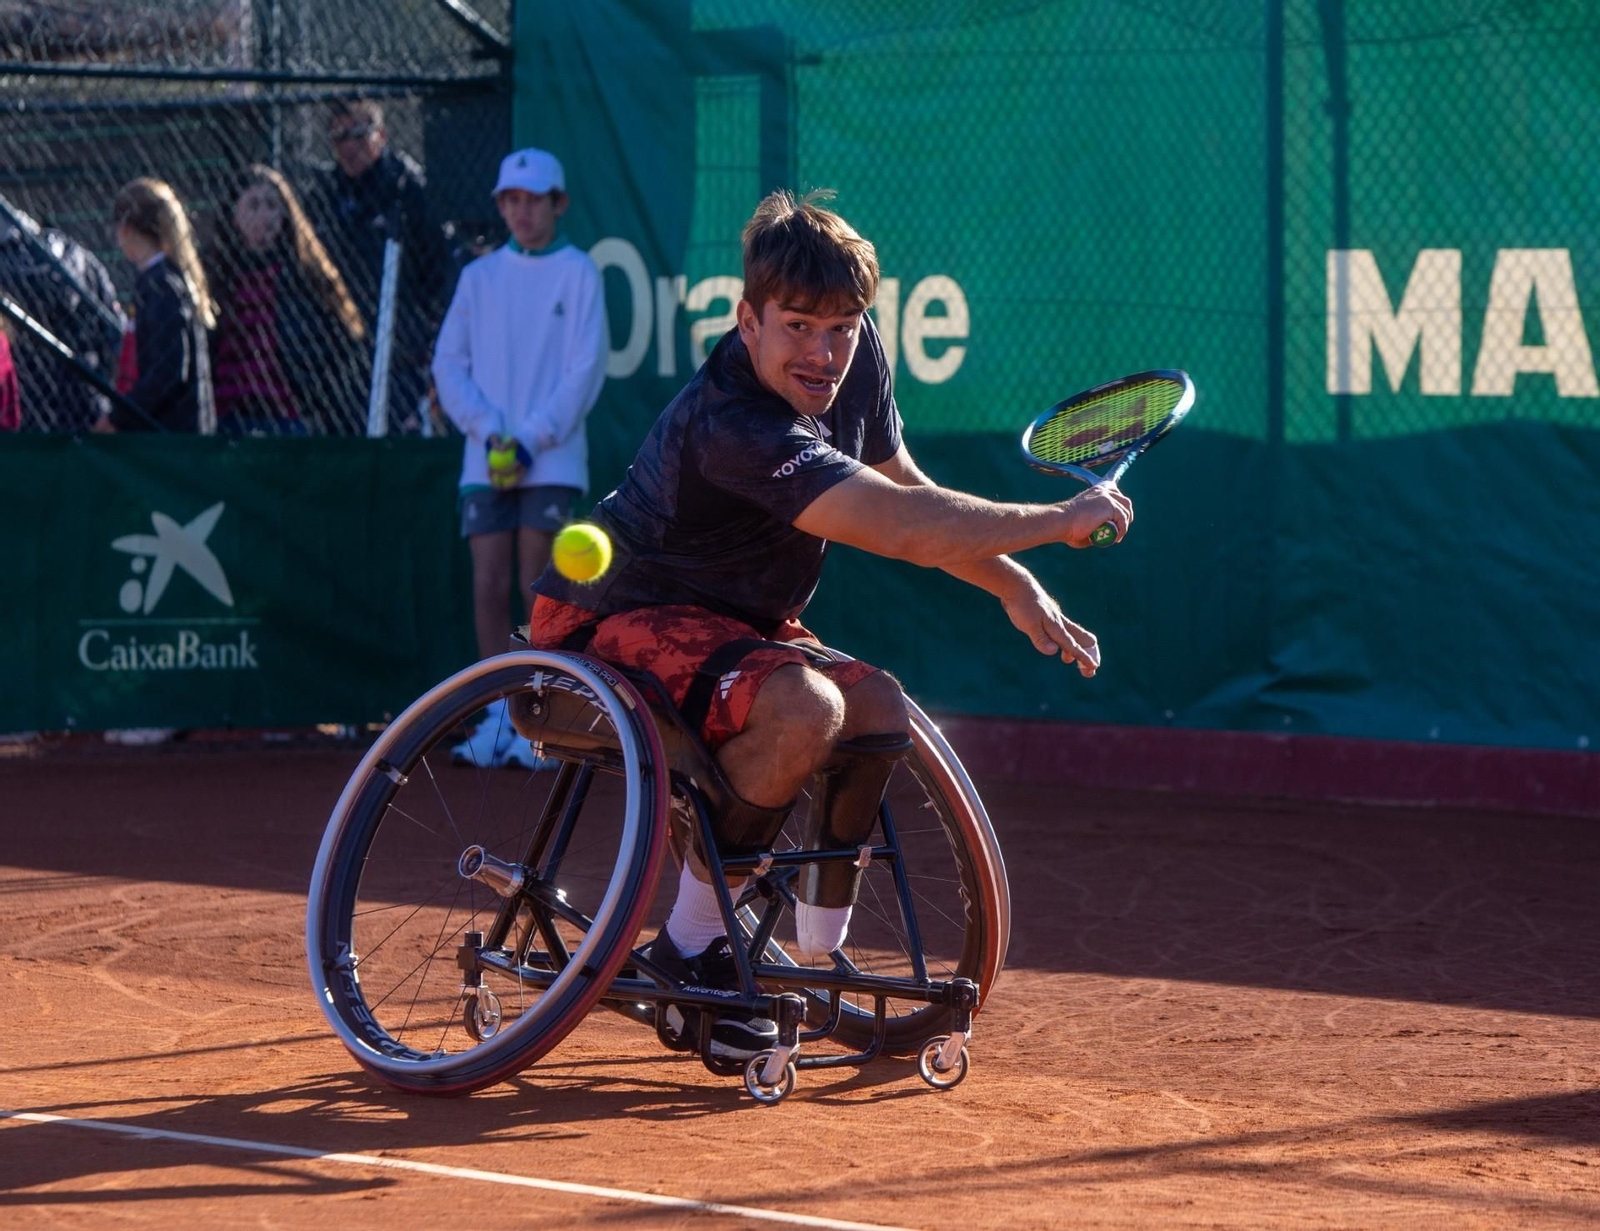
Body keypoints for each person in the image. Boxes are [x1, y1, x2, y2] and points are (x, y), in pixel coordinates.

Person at [520, 189, 1132, 1060]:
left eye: (842, 325)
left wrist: (1014, 584)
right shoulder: (732, 421)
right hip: (607, 625)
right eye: (798, 325)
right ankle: (692, 945)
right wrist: (1055, 518)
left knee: (877, 702)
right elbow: (902, 528)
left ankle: (811, 945)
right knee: (804, 708)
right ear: (748, 320)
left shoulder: (855, 355)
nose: (824, 350)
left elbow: (906, 490)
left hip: (740, 629)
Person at [431, 148, 607, 767]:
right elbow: (448, 366)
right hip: (488, 460)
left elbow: (585, 371)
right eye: (511, 200)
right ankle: (496, 718)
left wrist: (530, 440)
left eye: (533, 200)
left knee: (539, 591)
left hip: (551, 462)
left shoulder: (580, 273)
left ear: (557, 204)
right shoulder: (478, 278)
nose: (521, 211)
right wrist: (493, 435)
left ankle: (541, 720)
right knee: (487, 585)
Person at [309, 100, 447, 432]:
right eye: (338, 136)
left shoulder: (408, 188)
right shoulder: (325, 195)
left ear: (381, 135)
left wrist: (425, 337)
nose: (348, 146)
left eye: (358, 133)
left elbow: (438, 270)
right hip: (339, 353)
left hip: (401, 350)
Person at [207, 164, 366, 434]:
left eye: (272, 205)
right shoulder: (216, 276)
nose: (265, 216)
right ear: (234, 214)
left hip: (289, 416)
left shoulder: (306, 276)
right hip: (227, 415)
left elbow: (341, 343)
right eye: (253, 206)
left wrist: (318, 402)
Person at [93, 177, 216, 435]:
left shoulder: (162, 285)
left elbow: (168, 371)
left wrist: (118, 417)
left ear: (126, 229)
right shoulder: (162, 280)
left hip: (171, 438)